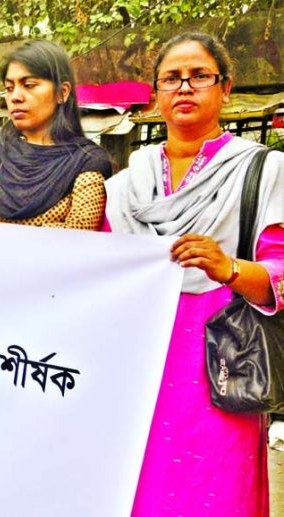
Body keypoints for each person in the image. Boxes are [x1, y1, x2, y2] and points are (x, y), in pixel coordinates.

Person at [105, 32, 284, 516]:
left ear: (225, 89)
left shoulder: (264, 172)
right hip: (139, 364)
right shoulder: (123, 186)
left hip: (220, 363)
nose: (185, 87)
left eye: (199, 76)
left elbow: (280, 271)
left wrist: (228, 268)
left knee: (216, 490)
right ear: (156, 93)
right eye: (171, 78)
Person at [0, 40, 111, 227]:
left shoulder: (87, 162)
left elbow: (78, 235)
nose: (15, 97)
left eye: (28, 85)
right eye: (9, 88)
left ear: (62, 92)